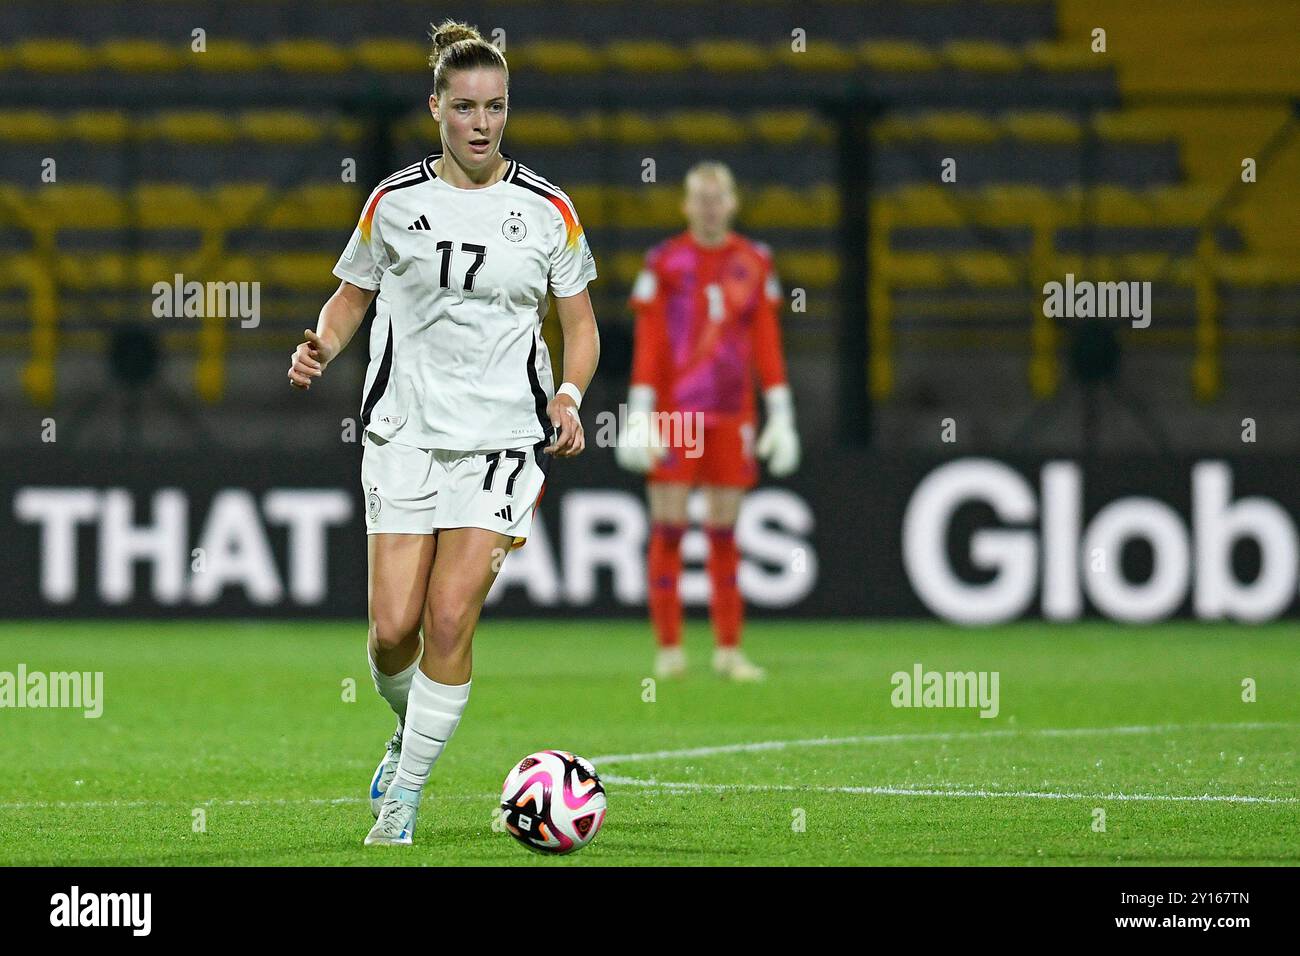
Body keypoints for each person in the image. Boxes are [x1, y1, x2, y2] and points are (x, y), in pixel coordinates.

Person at [287, 19, 599, 846]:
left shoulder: (548, 210)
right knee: (394, 631)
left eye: (496, 107)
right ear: (436, 108)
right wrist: (322, 343)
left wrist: (567, 396)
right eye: (465, 107)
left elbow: (581, 323)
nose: (483, 123)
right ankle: (405, 732)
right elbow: (351, 296)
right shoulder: (394, 202)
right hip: (403, 434)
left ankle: (406, 799)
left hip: (501, 442)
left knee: (451, 618)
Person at [616, 162, 799, 682]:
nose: (711, 206)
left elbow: (767, 343)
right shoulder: (665, 261)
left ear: (734, 203)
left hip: (731, 414)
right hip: (676, 416)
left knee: (724, 533)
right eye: (702, 198)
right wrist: (639, 414)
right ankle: (670, 648)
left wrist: (781, 414)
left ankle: (728, 650)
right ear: (686, 205)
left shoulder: (754, 261)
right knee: (669, 528)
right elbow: (649, 343)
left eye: (719, 197)